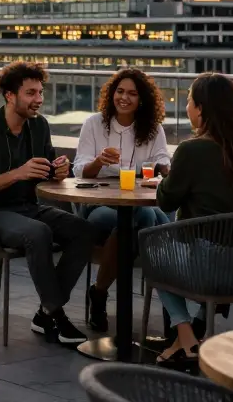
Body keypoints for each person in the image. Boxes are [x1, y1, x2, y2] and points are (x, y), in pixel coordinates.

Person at [0, 61, 95, 347]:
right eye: (31, 93)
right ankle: (56, 315)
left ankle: (46, 311)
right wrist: (18, 173)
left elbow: (48, 173)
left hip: (29, 207)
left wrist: (59, 171)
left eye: (40, 93)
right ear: (10, 95)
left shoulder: (39, 126)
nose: (39, 100)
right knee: (38, 233)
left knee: (84, 230)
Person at [153, 72, 233, 370]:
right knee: (214, 244)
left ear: (202, 108)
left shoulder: (193, 150)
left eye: (189, 101)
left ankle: (186, 335)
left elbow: (166, 201)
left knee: (154, 251)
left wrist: (166, 178)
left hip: (212, 266)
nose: (187, 108)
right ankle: (193, 332)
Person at [72, 68, 172, 333]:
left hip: (135, 204)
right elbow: (78, 168)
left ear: (142, 100)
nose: (124, 98)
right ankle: (175, 312)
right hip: (98, 203)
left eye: (132, 93)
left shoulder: (152, 129)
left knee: (142, 219)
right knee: (156, 224)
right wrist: (98, 161)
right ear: (111, 94)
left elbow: (164, 161)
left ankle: (99, 291)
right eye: (120, 91)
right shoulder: (94, 123)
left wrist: (166, 168)